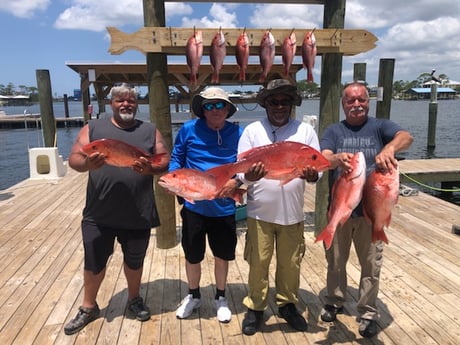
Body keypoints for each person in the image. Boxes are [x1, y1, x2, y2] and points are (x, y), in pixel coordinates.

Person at [64, 83, 170, 335]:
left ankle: (134, 299)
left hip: (138, 211)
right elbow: (74, 159)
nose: (126, 104)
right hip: (99, 213)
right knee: (94, 261)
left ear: (137, 103)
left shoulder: (149, 130)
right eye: (120, 100)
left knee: (135, 261)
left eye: (131, 100)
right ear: (111, 103)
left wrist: (151, 169)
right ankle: (88, 307)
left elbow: (164, 159)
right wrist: (88, 164)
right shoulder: (94, 128)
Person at [319, 81, 413, 338]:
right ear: (343, 104)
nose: (357, 105)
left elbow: (406, 136)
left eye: (361, 99)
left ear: (368, 101)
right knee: (335, 262)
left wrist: (390, 147)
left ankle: (368, 312)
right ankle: (334, 301)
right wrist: (335, 159)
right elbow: (323, 157)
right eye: (351, 100)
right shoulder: (334, 131)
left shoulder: (380, 126)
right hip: (341, 209)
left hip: (372, 212)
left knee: (371, 265)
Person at [236, 79, 321, 336]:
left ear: (292, 104)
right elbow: (240, 173)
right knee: (258, 263)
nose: (280, 106)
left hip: (293, 214)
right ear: (266, 104)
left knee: (290, 264)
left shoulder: (305, 132)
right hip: (259, 212)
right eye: (274, 101)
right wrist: (249, 176)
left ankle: (287, 304)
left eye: (285, 101)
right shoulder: (252, 131)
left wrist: (312, 174)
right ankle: (256, 307)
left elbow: (317, 169)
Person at [171, 87, 242, 323]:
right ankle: (193, 295)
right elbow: (176, 159)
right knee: (193, 255)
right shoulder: (188, 129)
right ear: (202, 109)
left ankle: (221, 297)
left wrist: (236, 183)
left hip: (224, 206)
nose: (215, 110)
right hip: (194, 207)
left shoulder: (238, 133)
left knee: (222, 255)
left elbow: (245, 165)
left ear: (228, 109)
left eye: (219, 105)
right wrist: (177, 183)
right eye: (209, 106)